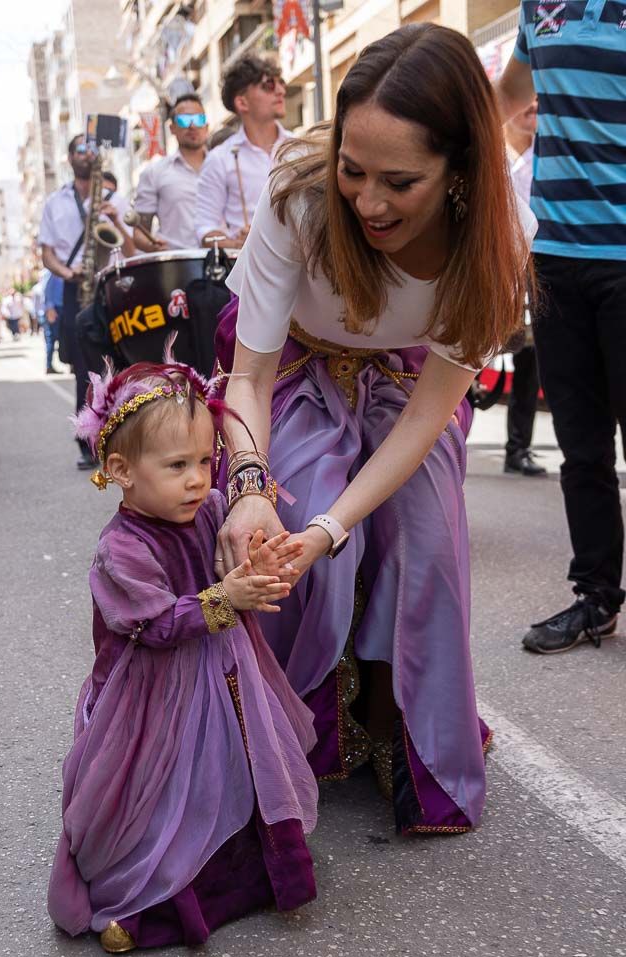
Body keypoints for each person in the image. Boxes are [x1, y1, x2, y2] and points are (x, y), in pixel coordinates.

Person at [214, 23, 536, 834]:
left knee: (425, 538)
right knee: (290, 525)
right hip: (287, 372)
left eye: (400, 181)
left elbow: (432, 411)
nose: (368, 202)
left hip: (404, 385)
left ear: (460, 170)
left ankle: (401, 730)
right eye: (352, 172)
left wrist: (331, 528)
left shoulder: (503, 237)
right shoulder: (297, 191)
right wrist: (251, 490)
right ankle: (293, 735)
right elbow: (247, 375)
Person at [46, 355, 318, 951]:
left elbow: (236, 564)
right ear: (120, 469)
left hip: (225, 676)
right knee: (166, 791)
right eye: (176, 466)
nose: (198, 479)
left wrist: (259, 566)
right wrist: (228, 596)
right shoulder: (121, 549)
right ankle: (147, 900)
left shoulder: (211, 511)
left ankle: (244, 875)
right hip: (152, 699)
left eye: (203, 461)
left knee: (231, 771)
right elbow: (157, 622)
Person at [497, 5, 626, 655]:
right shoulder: (538, 8)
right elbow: (506, 98)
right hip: (555, 262)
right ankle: (596, 597)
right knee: (582, 447)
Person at [39, 134, 136, 470]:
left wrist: (118, 221)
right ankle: (87, 441)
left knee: (122, 364)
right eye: (80, 148)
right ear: (69, 158)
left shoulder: (116, 199)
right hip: (76, 285)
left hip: (113, 287)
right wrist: (67, 271)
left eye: (93, 148)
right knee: (84, 367)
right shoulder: (55, 203)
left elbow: (134, 249)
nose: (88, 154)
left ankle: (125, 434)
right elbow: (46, 252)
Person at [483, 98, 545, 478]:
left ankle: (518, 448)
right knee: (468, 353)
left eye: (540, 96)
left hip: (541, 264)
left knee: (529, 358)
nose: (534, 103)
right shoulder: (489, 156)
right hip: (492, 263)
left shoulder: (551, 155)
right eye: (526, 96)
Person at [195, 54, 291, 252]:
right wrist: (236, 243)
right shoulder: (219, 160)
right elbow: (205, 230)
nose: (281, 91)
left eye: (281, 83)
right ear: (242, 103)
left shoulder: (300, 148)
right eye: (269, 86)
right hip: (247, 276)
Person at [132, 94, 209, 252]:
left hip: (224, 262)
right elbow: (140, 230)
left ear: (206, 126)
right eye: (184, 120)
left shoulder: (226, 166)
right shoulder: (154, 172)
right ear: (172, 128)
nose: (192, 126)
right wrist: (152, 246)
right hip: (178, 266)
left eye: (199, 119)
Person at [43, 269, 64, 374]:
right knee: (51, 338)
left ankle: (71, 363)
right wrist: (50, 308)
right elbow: (47, 290)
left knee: (65, 337)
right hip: (55, 309)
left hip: (63, 308)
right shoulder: (52, 272)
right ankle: (49, 365)